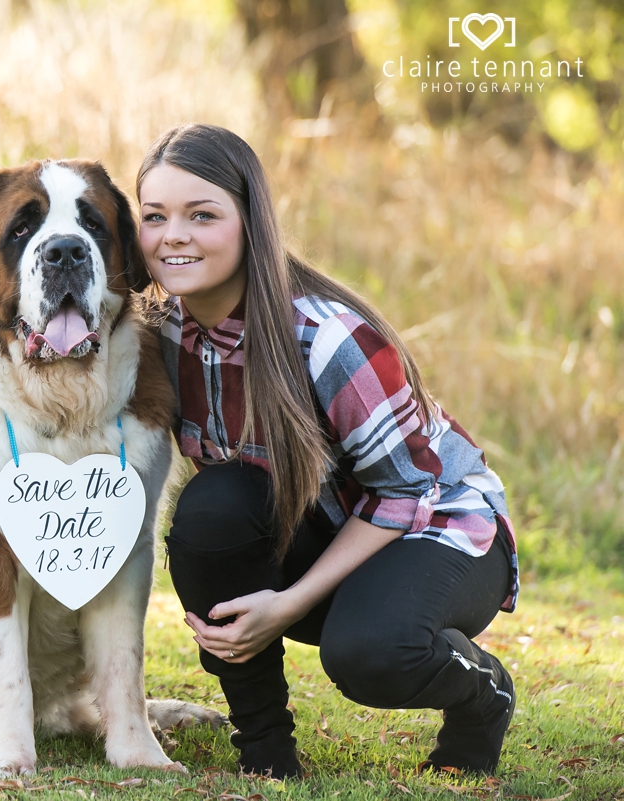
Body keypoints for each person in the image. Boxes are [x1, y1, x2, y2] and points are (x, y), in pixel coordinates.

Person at [136, 124, 517, 779]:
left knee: (371, 654)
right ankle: (266, 752)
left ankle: (483, 693)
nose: (174, 234)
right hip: (322, 527)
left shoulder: (327, 338)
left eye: (202, 214)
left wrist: (288, 602)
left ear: (251, 223)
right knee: (209, 512)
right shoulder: (163, 333)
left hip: (439, 527)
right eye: (154, 216)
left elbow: (406, 492)